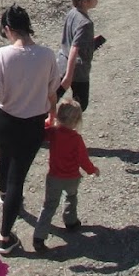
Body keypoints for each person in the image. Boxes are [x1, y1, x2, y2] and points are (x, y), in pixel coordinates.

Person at [0, 5, 60, 255]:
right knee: (17, 178)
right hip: (32, 125)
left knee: (4, 161)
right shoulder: (47, 56)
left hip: (3, 122)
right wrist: (52, 116)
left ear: (9, 29)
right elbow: (51, 92)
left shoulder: (2, 55)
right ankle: (4, 238)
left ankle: (5, 198)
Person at [33, 99, 99, 252]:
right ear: (76, 121)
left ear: (58, 116)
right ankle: (70, 222)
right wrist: (92, 170)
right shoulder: (77, 139)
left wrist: (48, 122)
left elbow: (41, 133)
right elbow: (83, 160)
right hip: (72, 178)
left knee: (49, 206)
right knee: (71, 197)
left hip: (54, 177)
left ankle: (39, 237)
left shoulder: (53, 133)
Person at [55, 0, 104, 112]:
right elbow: (74, 48)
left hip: (62, 62)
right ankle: (64, 124)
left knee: (54, 97)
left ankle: (50, 119)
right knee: (81, 104)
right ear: (84, 2)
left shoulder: (72, 13)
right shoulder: (85, 23)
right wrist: (68, 76)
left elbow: (73, 40)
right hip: (77, 70)